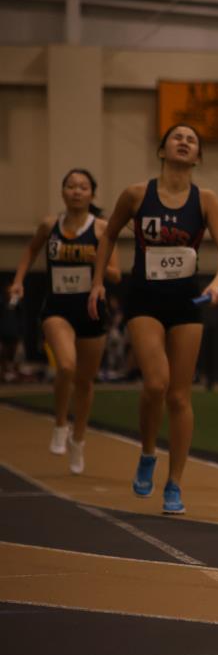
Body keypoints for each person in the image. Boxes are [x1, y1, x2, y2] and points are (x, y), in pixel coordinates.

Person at [88, 123, 218, 516]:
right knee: (156, 383)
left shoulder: (206, 200)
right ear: (162, 149)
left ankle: (175, 483)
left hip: (186, 302)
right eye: (177, 137)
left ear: (198, 156)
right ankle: (148, 452)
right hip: (144, 300)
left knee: (179, 396)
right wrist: (97, 282)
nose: (184, 142)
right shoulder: (137, 194)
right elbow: (108, 235)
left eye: (192, 140)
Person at [7, 168, 120, 473]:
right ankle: (59, 423)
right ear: (62, 192)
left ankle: (78, 439)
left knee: (84, 381)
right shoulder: (50, 225)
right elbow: (31, 251)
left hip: (91, 311)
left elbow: (116, 274)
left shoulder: (102, 229)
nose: (76, 191)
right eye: (71, 186)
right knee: (67, 366)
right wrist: (18, 281)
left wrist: (93, 259)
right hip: (57, 308)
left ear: (92, 194)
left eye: (83, 187)